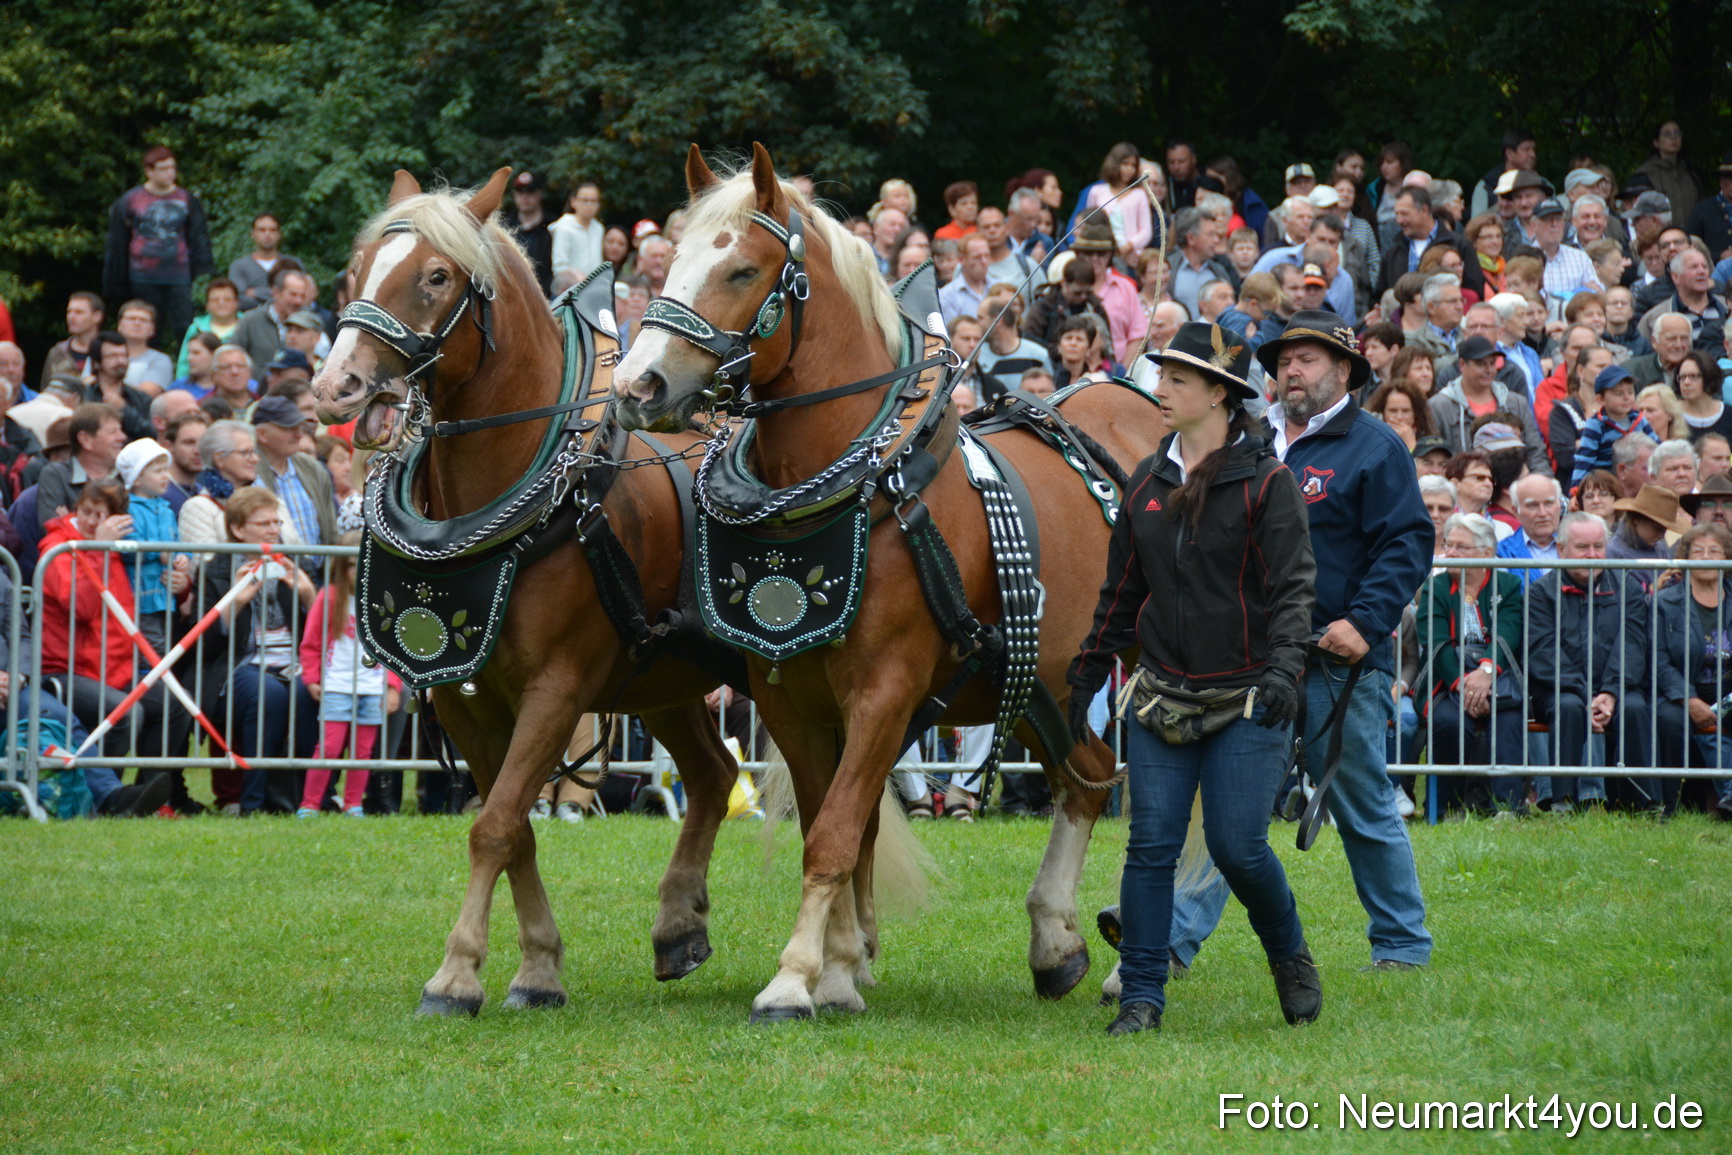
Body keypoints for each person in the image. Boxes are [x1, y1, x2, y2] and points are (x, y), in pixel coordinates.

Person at [1067, 322, 1318, 1036]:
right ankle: (1143, 995)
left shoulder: (1268, 484)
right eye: (1161, 376)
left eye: (1177, 379)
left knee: (1240, 847)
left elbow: (1296, 588)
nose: (1161, 390)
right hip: (1161, 695)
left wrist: (1284, 671)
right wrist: (1087, 669)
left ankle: (1289, 952)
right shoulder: (1148, 479)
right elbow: (1122, 589)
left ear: (1219, 392)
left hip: (1248, 697)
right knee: (1151, 845)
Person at [1169, 310, 1435, 973]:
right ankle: (1170, 941)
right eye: (1285, 359)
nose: (1292, 369)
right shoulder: (1250, 446)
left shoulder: (1375, 446)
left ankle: (1402, 944)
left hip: (1332, 658)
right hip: (1251, 659)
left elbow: (1406, 542)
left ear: (1345, 371)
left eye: (1309, 358)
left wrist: (1366, 622)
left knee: (1362, 799)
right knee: (1234, 806)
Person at [1530, 511, 1656, 812]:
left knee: (1636, 708)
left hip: (1617, 686)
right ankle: (1563, 800)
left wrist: (1610, 693)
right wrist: (1588, 696)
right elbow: (1543, 651)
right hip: (1561, 687)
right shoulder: (1540, 592)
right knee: (1568, 707)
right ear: (1561, 550)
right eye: (1582, 547)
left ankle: (1643, 803)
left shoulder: (1628, 588)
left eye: (1598, 547)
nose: (1592, 555)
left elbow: (1632, 646)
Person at [38, 478, 169, 766]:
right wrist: (99, 547)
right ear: (77, 508)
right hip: (68, 668)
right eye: (86, 511)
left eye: (102, 515)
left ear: (120, 520)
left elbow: (141, 594)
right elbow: (82, 607)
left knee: (174, 705)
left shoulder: (115, 547)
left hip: (116, 666)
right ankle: (106, 794)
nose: (92, 521)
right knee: (125, 714)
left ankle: (159, 797)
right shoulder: (57, 547)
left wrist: (180, 583)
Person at [206, 488, 319, 815]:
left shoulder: (297, 563)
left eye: (276, 522)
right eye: (263, 523)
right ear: (238, 530)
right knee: (267, 693)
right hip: (241, 667)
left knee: (307, 690)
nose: (274, 530)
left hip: (295, 664)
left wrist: (309, 596)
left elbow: (325, 633)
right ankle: (251, 802)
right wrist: (235, 600)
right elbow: (206, 642)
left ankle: (308, 800)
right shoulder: (219, 568)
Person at [1416, 512, 1526, 815]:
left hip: (1495, 679)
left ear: (1487, 553)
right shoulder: (1435, 588)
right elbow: (1437, 643)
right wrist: (1465, 687)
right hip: (1445, 681)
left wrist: (1486, 673)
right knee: (1448, 722)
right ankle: (1444, 808)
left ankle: (1508, 808)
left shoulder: (1508, 585)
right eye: (1449, 545)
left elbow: (1508, 633)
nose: (1450, 552)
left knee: (1509, 721)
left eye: (1461, 547)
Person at [297, 531, 401, 819]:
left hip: (372, 689)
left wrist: (392, 686)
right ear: (341, 568)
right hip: (337, 686)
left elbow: (395, 650)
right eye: (352, 565)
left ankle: (353, 804)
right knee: (328, 748)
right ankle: (309, 804)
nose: (359, 571)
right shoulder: (328, 598)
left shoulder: (386, 601)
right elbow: (311, 644)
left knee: (362, 751)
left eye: (366, 563)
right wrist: (312, 678)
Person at [101, 146, 213, 350]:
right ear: (149, 171)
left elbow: (199, 237)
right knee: (147, 330)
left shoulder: (187, 199)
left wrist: (203, 271)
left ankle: (187, 372)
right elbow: (117, 242)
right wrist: (116, 279)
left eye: (172, 168)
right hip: (143, 275)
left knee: (184, 328)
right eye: (163, 168)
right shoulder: (130, 200)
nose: (170, 173)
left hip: (179, 274)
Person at [1657, 523, 1732, 820]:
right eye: (1698, 551)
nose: (1706, 557)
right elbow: (1660, 661)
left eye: (1715, 551)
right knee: (1680, 721)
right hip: (1685, 690)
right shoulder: (1666, 602)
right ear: (1684, 558)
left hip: (1727, 691)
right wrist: (1687, 699)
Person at [1427, 335, 1548, 472]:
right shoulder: (1439, 406)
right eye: (1480, 364)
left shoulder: (1516, 403)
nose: (1489, 370)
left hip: (1513, 485)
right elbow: (1434, 457)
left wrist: (1543, 484)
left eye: (1492, 363)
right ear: (1462, 365)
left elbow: (1535, 452)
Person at [252, 396, 337, 564]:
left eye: (300, 426)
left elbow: (330, 528)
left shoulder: (313, 468)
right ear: (262, 434)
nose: (299, 435)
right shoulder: (247, 470)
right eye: (289, 428)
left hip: (319, 577)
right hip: (271, 574)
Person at [36, 403, 127, 525]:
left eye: (120, 430)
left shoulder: (127, 474)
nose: (122, 437)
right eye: (113, 432)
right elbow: (53, 528)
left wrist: (71, 520)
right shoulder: (56, 475)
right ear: (86, 440)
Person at [1572, 365, 1658, 489]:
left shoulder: (1639, 420)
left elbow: (1657, 447)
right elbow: (1584, 460)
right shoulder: (1596, 425)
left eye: (1630, 392)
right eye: (1619, 393)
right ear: (1600, 399)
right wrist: (1576, 490)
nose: (1626, 397)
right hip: (1607, 484)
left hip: (1639, 481)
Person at [178, 419, 259, 549]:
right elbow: (205, 563)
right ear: (220, 459)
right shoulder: (198, 508)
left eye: (254, 452)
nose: (255, 459)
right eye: (245, 453)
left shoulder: (266, 500)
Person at [1549, 344, 1616, 482]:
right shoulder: (1562, 410)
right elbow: (1567, 459)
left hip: (1616, 484)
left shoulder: (1620, 407)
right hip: (1577, 487)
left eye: (1610, 367)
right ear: (1581, 371)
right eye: (1601, 366)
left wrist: (1584, 444)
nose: (1608, 372)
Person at [1495, 473, 1564, 585]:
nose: (1542, 513)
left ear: (1559, 505)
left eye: (1548, 503)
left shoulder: (1579, 547)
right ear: (1516, 511)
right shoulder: (1501, 553)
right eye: (1533, 505)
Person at [1608, 483, 1690, 564]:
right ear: (1637, 519)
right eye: (1656, 528)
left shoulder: (1660, 550)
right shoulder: (1614, 553)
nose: (1661, 535)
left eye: (1665, 530)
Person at [39, 292, 105, 389]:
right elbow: (45, 390)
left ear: (97, 316)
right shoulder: (57, 353)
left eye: (79, 312)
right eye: (69, 312)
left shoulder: (110, 352)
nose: (71, 317)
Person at [502, 171, 554, 296]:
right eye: (520, 192)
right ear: (514, 195)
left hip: (546, 297)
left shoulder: (553, 226)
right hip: (513, 295)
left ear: (539, 194)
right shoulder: (504, 228)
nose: (524, 196)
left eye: (530, 192)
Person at [227, 214, 289, 312]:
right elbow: (239, 301)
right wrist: (282, 296)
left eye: (272, 230)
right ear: (252, 234)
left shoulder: (291, 264)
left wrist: (255, 292)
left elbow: (300, 298)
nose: (267, 234)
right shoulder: (238, 266)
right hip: (250, 324)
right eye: (262, 230)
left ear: (279, 234)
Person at [115, 300, 174, 395]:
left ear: (152, 329)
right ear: (120, 325)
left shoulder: (160, 360)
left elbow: (147, 393)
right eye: (131, 318)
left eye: (143, 320)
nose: (137, 323)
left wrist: (106, 387)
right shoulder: (101, 354)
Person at [549, 182, 605, 282]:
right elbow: (559, 266)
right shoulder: (564, 227)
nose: (589, 205)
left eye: (593, 201)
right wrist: (577, 277)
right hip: (570, 288)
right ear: (573, 202)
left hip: (595, 288)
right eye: (585, 200)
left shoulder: (599, 228)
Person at [1363, 379, 1433, 452]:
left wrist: (1411, 446)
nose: (1399, 417)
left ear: (1415, 413)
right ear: (1383, 412)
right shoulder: (1371, 438)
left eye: (1405, 411)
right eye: (1393, 411)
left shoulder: (1428, 441)